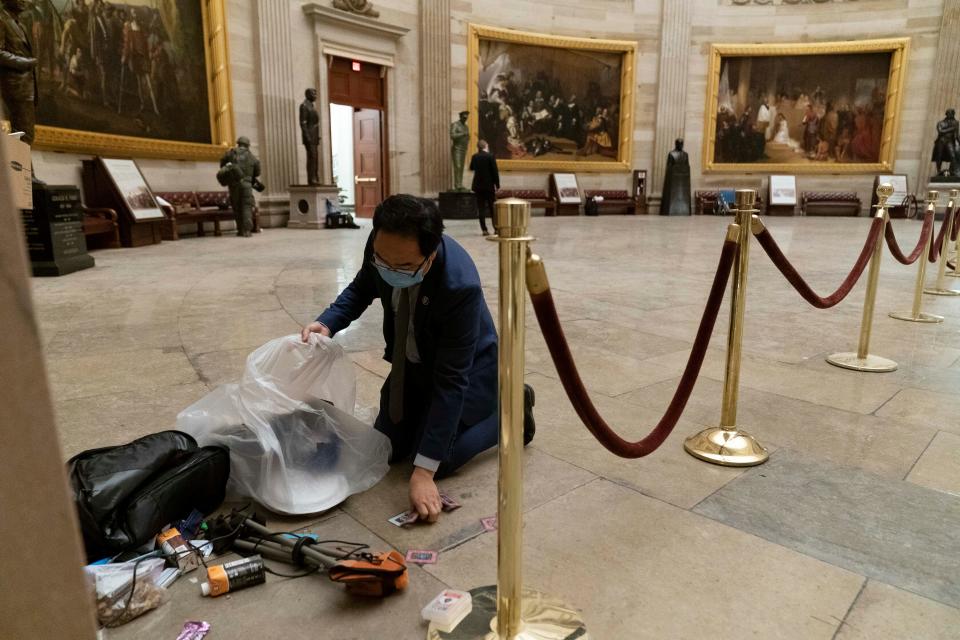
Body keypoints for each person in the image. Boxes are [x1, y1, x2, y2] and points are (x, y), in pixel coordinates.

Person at [300, 195, 535, 523]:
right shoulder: (385, 242)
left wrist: (424, 474)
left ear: (432, 252)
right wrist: (327, 322)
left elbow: (452, 381)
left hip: (468, 369)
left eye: (406, 266)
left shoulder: (459, 286)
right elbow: (362, 287)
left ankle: (512, 410)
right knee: (387, 446)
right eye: (384, 261)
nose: (391, 270)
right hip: (412, 362)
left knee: (441, 459)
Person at [0, 0, 38, 145]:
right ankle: (19, 167)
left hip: (23, 87)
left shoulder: (18, 24)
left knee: (23, 135)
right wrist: (25, 63)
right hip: (15, 86)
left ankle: (20, 167)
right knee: (23, 135)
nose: (25, 1)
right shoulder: (2, 20)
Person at [219, 136, 261, 237]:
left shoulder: (230, 153)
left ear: (238, 143)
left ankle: (240, 229)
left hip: (234, 184)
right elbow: (258, 172)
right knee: (247, 206)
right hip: (247, 184)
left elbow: (222, 164)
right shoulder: (252, 157)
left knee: (236, 207)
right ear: (247, 145)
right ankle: (247, 231)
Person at [469, 140, 499, 236]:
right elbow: (495, 171)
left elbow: (471, 167)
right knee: (492, 208)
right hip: (489, 186)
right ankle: (496, 229)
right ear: (486, 146)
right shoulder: (490, 156)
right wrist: (497, 185)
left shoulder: (475, 156)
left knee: (481, 208)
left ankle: (484, 230)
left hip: (478, 186)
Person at [300, 88, 321, 185]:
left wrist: (317, 136)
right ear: (308, 94)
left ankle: (315, 177)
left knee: (315, 158)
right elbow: (303, 123)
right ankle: (312, 179)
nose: (315, 96)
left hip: (314, 136)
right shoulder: (304, 106)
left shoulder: (311, 106)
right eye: (313, 94)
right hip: (309, 136)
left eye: (316, 94)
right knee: (312, 157)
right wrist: (307, 136)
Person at [450, 111, 470, 191]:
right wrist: (462, 134)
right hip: (457, 149)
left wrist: (468, 138)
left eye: (466, 118)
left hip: (463, 149)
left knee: (461, 167)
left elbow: (467, 136)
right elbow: (452, 135)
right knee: (457, 166)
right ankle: (457, 185)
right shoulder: (455, 124)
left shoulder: (466, 126)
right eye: (464, 117)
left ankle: (460, 184)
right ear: (460, 116)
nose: (465, 119)